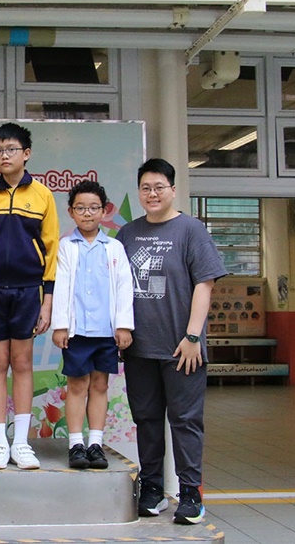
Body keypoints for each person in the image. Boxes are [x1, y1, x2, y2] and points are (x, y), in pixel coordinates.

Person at [115, 158, 226, 525]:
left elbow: (205, 284)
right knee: (146, 419)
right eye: (145, 188)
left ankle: (190, 493)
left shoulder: (191, 230)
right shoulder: (128, 234)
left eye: (159, 187)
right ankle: (152, 488)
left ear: (173, 190)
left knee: (185, 420)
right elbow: (117, 287)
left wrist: (193, 336)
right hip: (139, 349)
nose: (152, 194)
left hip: (182, 349)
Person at [0, 122, 59, 470]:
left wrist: (47, 300)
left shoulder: (43, 195)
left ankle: (21, 443)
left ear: (26, 153)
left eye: (11, 149)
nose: (4, 156)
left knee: (22, 363)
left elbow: (51, 250)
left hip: (28, 290)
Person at [50, 181, 134, 471]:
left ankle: (95, 444)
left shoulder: (114, 247)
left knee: (100, 385)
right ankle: (76, 444)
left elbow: (124, 287)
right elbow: (61, 287)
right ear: (71, 212)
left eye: (94, 208)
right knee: (77, 386)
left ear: (104, 211)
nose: (88, 213)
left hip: (106, 331)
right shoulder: (66, 246)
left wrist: (123, 325)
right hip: (77, 331)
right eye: (81, 208)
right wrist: (60, 325)